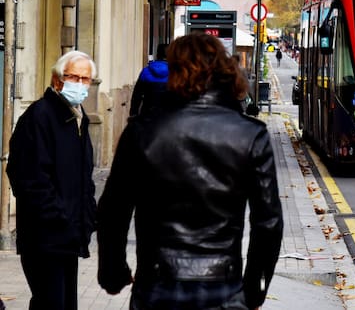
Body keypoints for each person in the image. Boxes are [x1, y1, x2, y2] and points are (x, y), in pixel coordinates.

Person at [97, 32, 284, 309]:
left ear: (174, 72)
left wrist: (113, 273)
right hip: (223, 284)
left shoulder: (142, 131)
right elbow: (268, 222)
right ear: (223, 70)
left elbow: (114, 210)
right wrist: (255, 289)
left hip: (157, 282)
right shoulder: (250, 135)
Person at [6, 50, 98, 310]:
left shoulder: (77, 116)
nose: (80, 84)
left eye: (85, 79)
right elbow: (30, 180)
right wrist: (60, 219)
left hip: (69, 236)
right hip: (46, 237)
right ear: (57, 80)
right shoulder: (40, 116)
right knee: (50, 302)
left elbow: (83, 177)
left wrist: (87, 217)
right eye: (74, 77)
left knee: (64, 302)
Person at [129, 43, 169, 117]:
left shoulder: (146, 71)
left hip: (147, 115)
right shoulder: (175, 73)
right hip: (168, 117)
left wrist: (133, 115)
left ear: (157, 54)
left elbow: (137, 96)